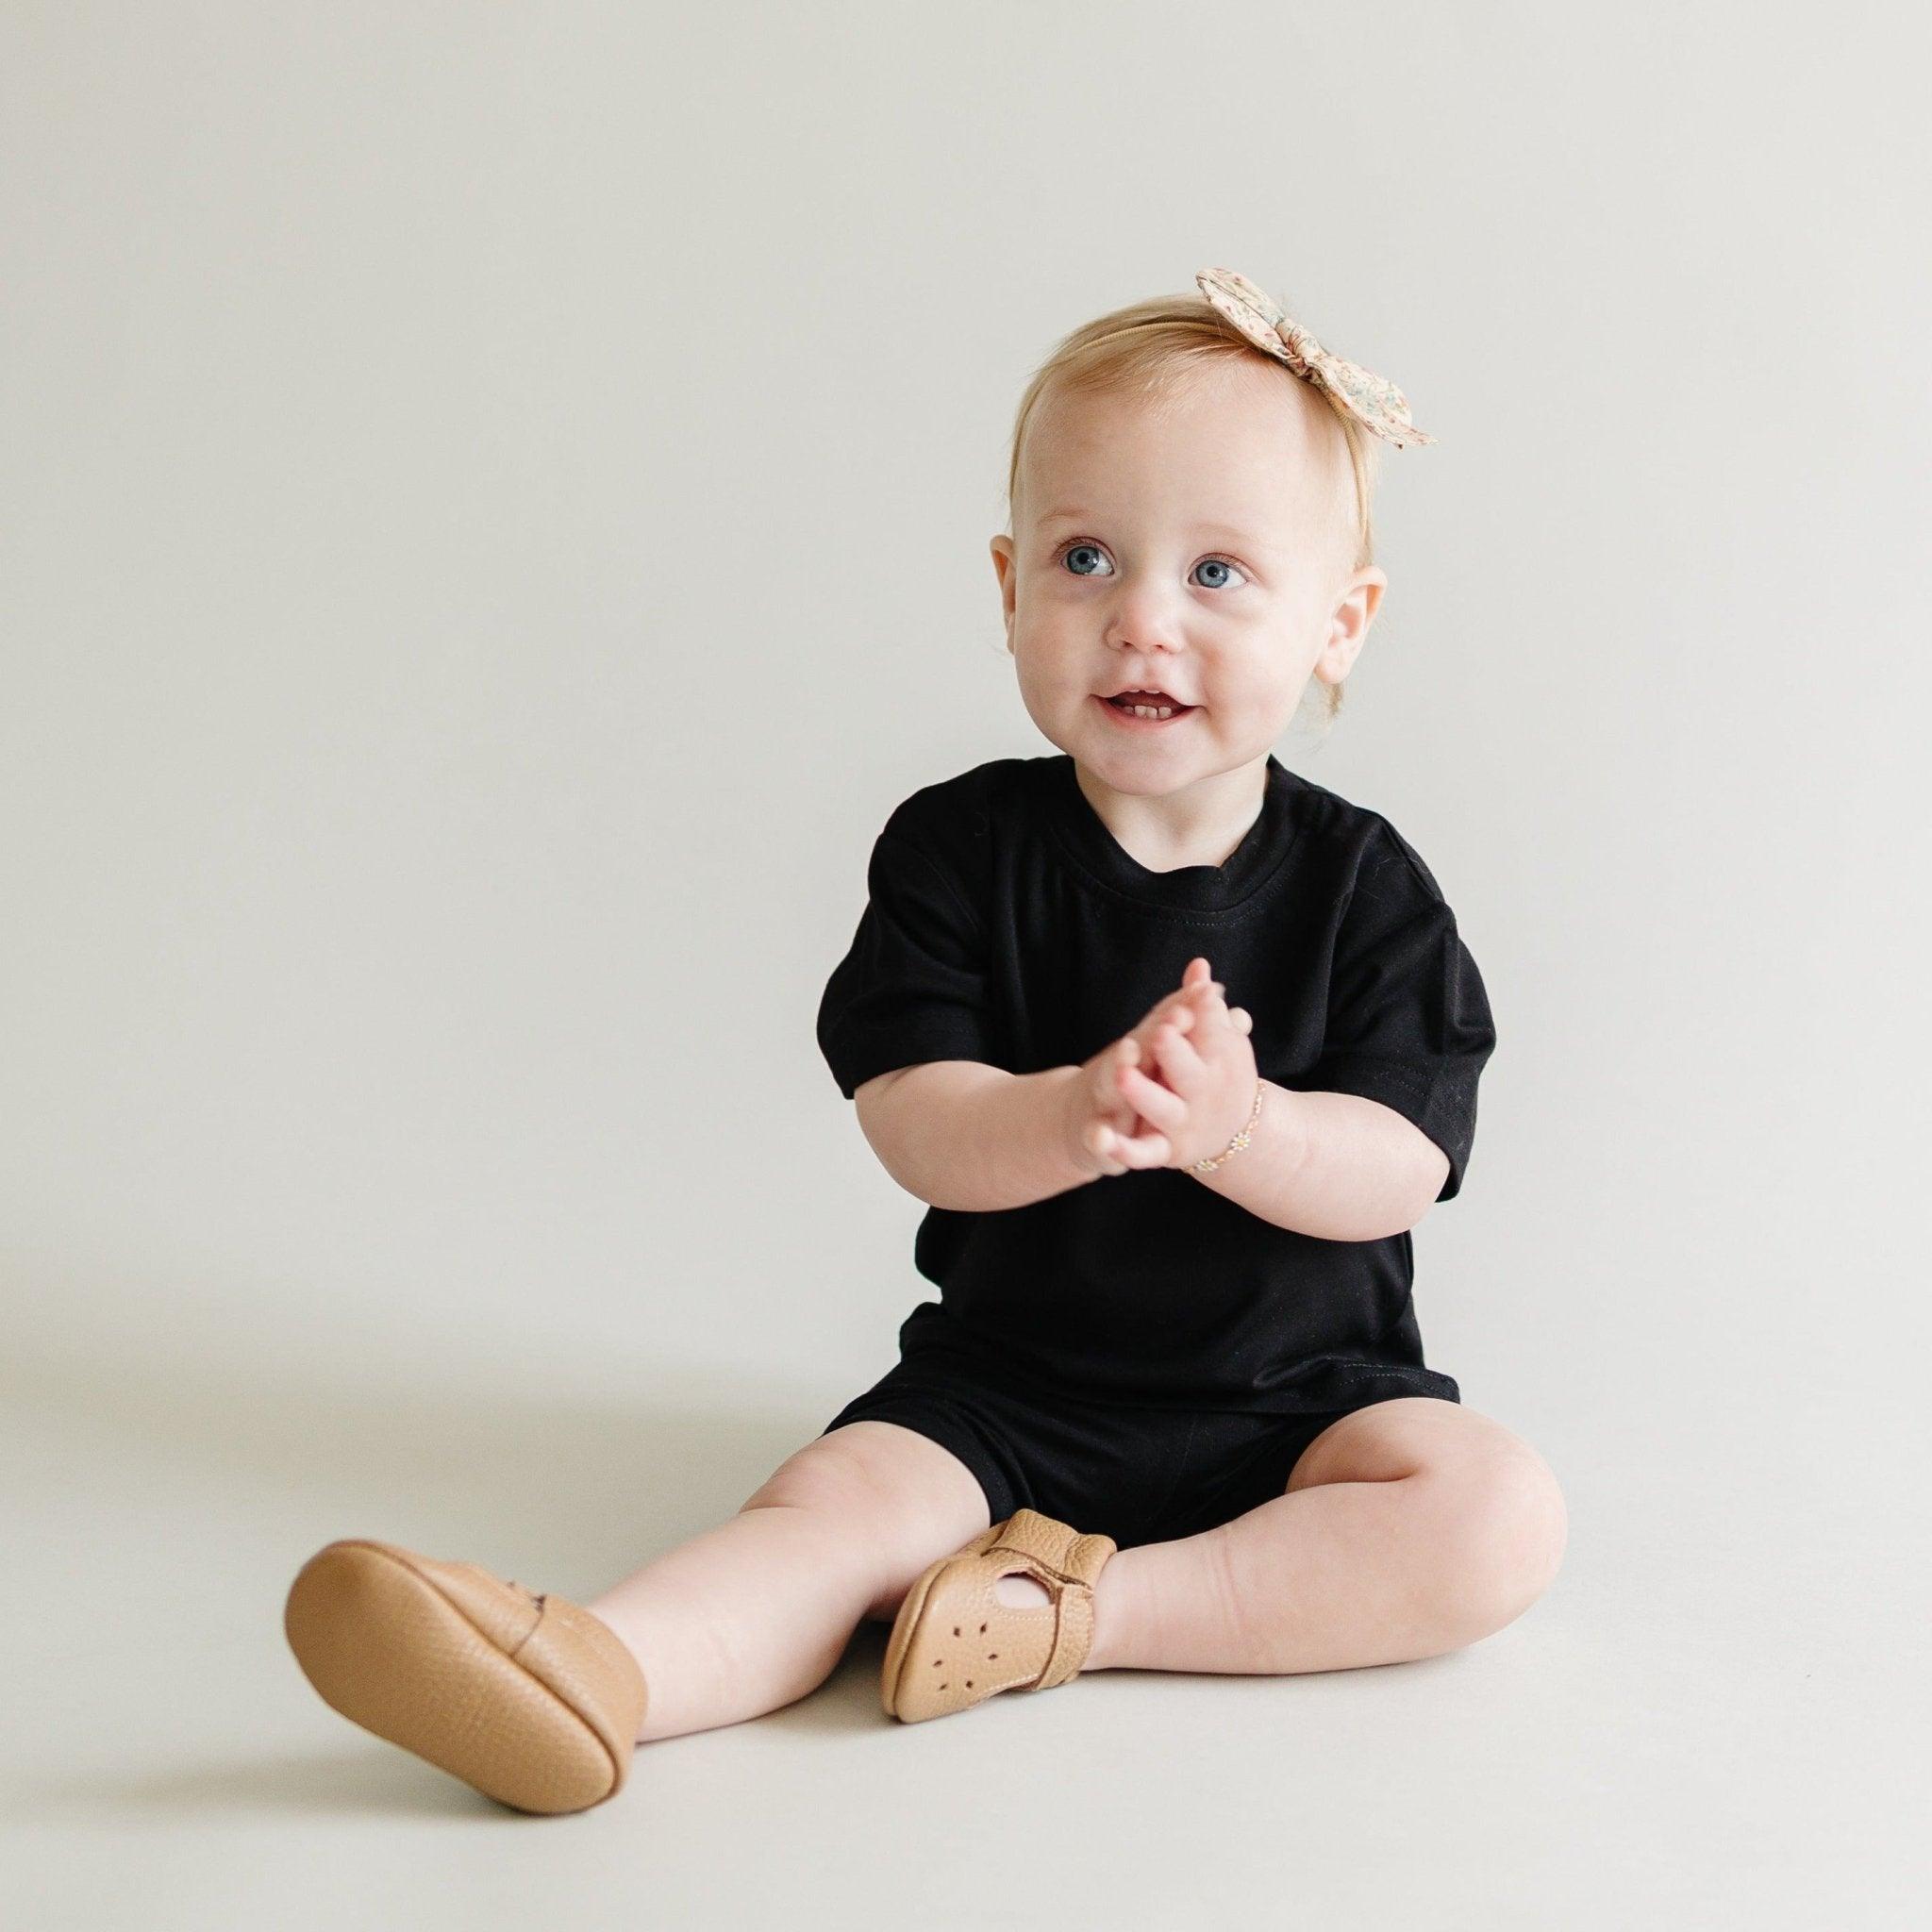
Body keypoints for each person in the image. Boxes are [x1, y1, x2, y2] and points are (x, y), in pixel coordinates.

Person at [283, 267, 1567, 1814]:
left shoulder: (1367, 886)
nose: (1143, 617)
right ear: (1011, 588)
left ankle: (1068, 1621)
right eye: (1088, 557)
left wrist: (1240, 1128)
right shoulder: (961, 848)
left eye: (1220, 573)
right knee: (825, 1518)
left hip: (1299, 1411)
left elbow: (1400, 1169)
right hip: (1002, 1394)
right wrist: (1072, 1116)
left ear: (1337, 626)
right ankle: (587, 1671)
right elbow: (911, 1113)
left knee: (1492, 1514)